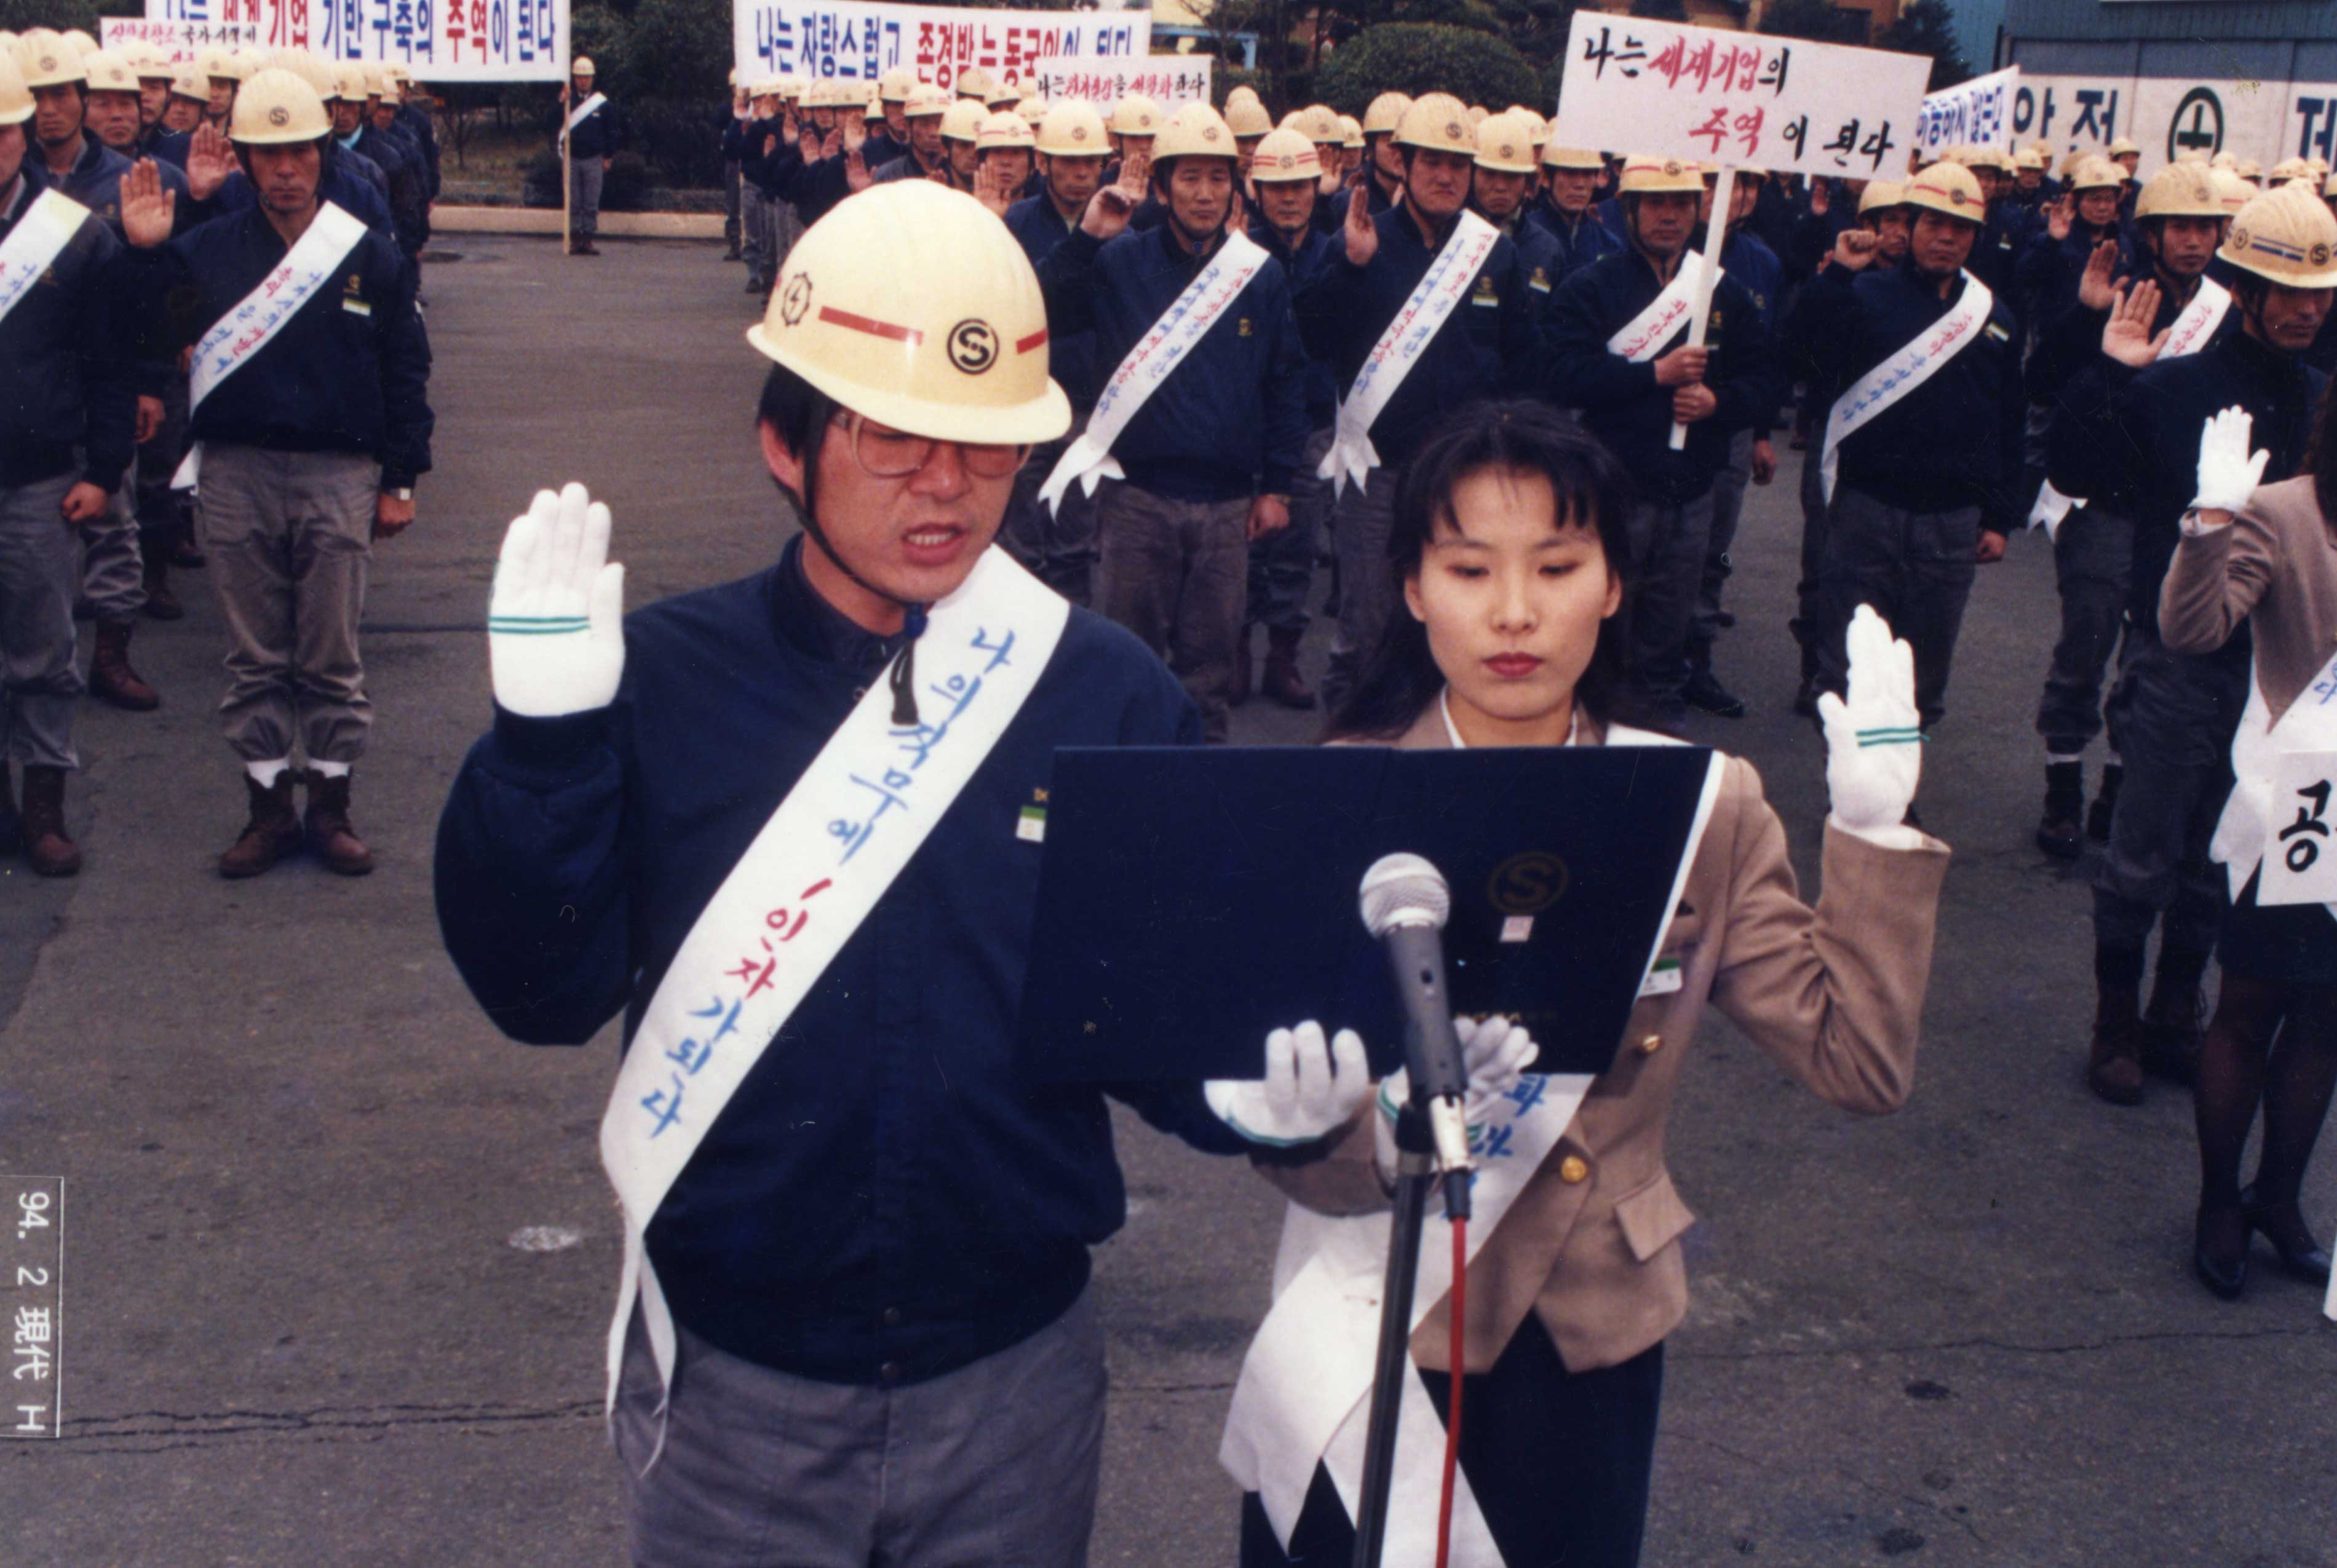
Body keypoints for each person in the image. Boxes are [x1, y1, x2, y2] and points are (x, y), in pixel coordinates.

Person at [435, 179, 1280, 1564]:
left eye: (985, 447)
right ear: (785, 442)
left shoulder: (1105, 696)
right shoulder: (661, 682)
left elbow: (1156, 1025)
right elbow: (539, 992)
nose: (944, 488)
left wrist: (1264, 1092)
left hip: (1013, 1387)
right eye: (891, 436)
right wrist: (540, 754)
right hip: (734, 1398)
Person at [1228, 400, 1948, 1568]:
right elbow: (1287, 1136)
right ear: (1413, 588)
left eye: (1558, 565)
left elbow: (1858, 1062)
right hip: (1371, 1319)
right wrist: (1336, 1136)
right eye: (1469, 568)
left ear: (1615, 582)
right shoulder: (1332, 802)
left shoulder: (1699, 804)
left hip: (1583, 1337)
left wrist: (1873, 834)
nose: (1515, 612)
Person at [120, 67, 434, 878]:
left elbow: (405, 367)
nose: (286, 170)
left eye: (300, 152)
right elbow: (153, 332)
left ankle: (331, 809)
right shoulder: (209, 252)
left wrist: (401, 477)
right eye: (269, 154)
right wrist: (154, 247)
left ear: (320, 153)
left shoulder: (366, 254)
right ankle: (266, 808)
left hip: (339, 472)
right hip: (236, 471)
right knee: (255, 656)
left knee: (331, 655)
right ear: (247, 159)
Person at [2074, 181, 2330, 1104]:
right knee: (2146, 840)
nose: (2307, 309)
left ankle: (2176, 1010)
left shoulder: (2320, 397)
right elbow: (2076, 471)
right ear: (2244, 286)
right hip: (2180, 652)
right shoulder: (2175, 382)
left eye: (2320, 292)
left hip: (2282, 666)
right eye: (2287, 289)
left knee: (2225, 848)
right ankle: (2115, 1019)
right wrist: (2110, 372)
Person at [1034, 102, 1308, 742]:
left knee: (1209, 673)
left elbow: (1285, 381)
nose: (1205, 194)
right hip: (1137, 501)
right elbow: (1042, 304)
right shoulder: (1119, 261)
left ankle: (1195, 792)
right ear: (1161, 187)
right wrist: (1087, 236)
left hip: (1225, 508)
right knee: (1128, 658)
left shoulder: (1257, 275)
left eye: (1218, 179)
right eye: (1188, 178)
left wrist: (1277, 485)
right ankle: (1126, 786)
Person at [2158, 403, 2337, 1302]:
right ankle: (2219, 1199)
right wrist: (2210, 525)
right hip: (2299, 799)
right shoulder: (2285, 511)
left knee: (2328, 1017)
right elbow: (2193, 630)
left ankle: (2280, 1196)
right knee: (2253, 1005)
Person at [1301, 93, 1546, 711]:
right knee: (1365, 629)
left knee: (1453, 626)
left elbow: (1524, 363)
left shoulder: (1494, 253)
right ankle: (1347, 754)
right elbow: (1310, 335)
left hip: (1462, 476)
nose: (1445, 177)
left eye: (1457, 165)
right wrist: (1350, 268)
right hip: (1376, 472)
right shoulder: (1362, 237)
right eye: (1431, 162)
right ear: (1399, 164)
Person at [1788, 159, 2020, 769]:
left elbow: (2007, 422)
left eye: (1960, 227)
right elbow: (1798, 350)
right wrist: (1835, 274)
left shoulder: (1993, 315)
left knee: (1923, 672)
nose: (1946, 237)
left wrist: (1997, 517)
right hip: (1866, 508)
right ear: (1909, 226)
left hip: (1950, 521)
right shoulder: (1862, 293)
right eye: (1933, 223)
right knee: (1849, 664)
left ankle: (1897, 787)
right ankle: (1851, 789)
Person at [2033, 164, 2234, 861]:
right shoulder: (2112, 288)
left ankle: (2115, 791)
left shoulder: (2225, 308)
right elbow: (2047, 384)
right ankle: (2061, 780)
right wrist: (2086, 315)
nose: (2193, 241)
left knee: (2148, 656)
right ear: (2150, 231)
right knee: (2084, 647)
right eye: (2180, 226)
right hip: (2103, 501)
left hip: (2171, 511)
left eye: (2205, 227)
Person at [1548, 154, 1773, 726]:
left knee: (1668, 626)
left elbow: (1765, 380)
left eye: (1681, 203)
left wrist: (1717, 403)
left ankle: (1653, 742)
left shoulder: (1723, 292)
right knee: (1602, 619)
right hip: (1614, 486)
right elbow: (1562, 374)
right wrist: (1653, 375)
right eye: (1656, 203)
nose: (1669, 216)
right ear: (1629, 209)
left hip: (1693, 490)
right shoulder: (1590, 287)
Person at [0, 44, 135, 876]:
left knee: (45, 650)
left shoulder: (75, 235)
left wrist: (102, 470)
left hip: (42, 478)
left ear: (22, 135)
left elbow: (113, 368)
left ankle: (45, 803)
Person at [14, 31, 167, 711]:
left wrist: (150, 380)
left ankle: (112, 653)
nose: (50, 110)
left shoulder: (127, 178)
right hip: (33, 399)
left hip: (99, 389)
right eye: (35, 98)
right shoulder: (17, 183)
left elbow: (161, 295)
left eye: (60, 94)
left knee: (115, 521)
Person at [1785, 180, 1906, 716]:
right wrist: (1836, 276)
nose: (1899, 234)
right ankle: (1815, 667)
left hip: (1895, 454)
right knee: (1823, 560)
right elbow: (1798, 346)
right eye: (1889, 221)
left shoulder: (1938, 292)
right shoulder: (1842, 281)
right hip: (1839, 439)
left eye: (1910, 221)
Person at [1240, 125, 1340, 710]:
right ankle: (1236, 651)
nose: (1289, 198)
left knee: (1297, 549)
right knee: (1240, 551)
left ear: (1314, 189)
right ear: (1256, 191)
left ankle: (1283, 656)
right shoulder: (1236, 246)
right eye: (1276, 187)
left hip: (1310, 422)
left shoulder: (1337, 250)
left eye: (1300, 187)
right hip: (1244, 423)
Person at [998, 99, 1111, 603]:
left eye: (1090, 162)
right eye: (1069, 161)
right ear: (1044, 163)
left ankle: (1070, 646)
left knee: (1077, 544)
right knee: (1021, 541)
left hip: (1090, 404)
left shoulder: (1124, 222)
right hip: (1028, 398)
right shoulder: (1016, 220)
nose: (1081, 173)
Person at [1687, 166, 1782, 720]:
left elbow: (1764, 359)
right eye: (1716, 182)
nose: (1731, 194)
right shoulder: (1666, 247)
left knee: (1716, 548)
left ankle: (1698, 657)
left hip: (1730, 429)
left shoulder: (1761, 262)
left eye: (1746, 185)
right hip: (1665, 425)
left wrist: (1763, 432)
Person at [1525, 140, 1622, 289]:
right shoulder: (1523, 237)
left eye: (1588, 174)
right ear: (1545, 178)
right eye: (1570, 173)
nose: (1580, 184)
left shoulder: (1609, 243)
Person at [560, 55, 614, 256]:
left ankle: (589, 240)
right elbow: (551, 124)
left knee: (591, 201)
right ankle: (575, 240)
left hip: (594, 158)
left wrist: (608, 156)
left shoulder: (602, 103)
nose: (583, 81)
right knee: (573, 201)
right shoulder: (568, 100)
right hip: (572, 157)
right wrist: (560, 103)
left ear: (592, 79)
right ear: (574, 79)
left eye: (587, 77)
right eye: (580, 77)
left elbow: (611, 131)